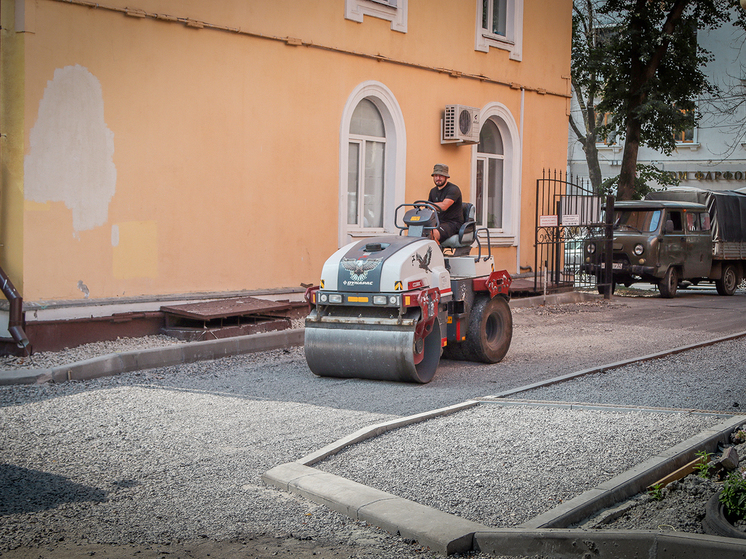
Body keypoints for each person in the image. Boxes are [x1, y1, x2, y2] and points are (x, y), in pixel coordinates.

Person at [427, 163, 463, 243]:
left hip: (453, 223)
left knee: (431, 233)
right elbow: (428, 209)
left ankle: (438, 253)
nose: (438, 178)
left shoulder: (453, 189)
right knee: (419, 230)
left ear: (446, 177)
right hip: (438, 222)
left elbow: (444, 206)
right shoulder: (433, 191)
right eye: (436, 176)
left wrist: (428, 205)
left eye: (441, 176)